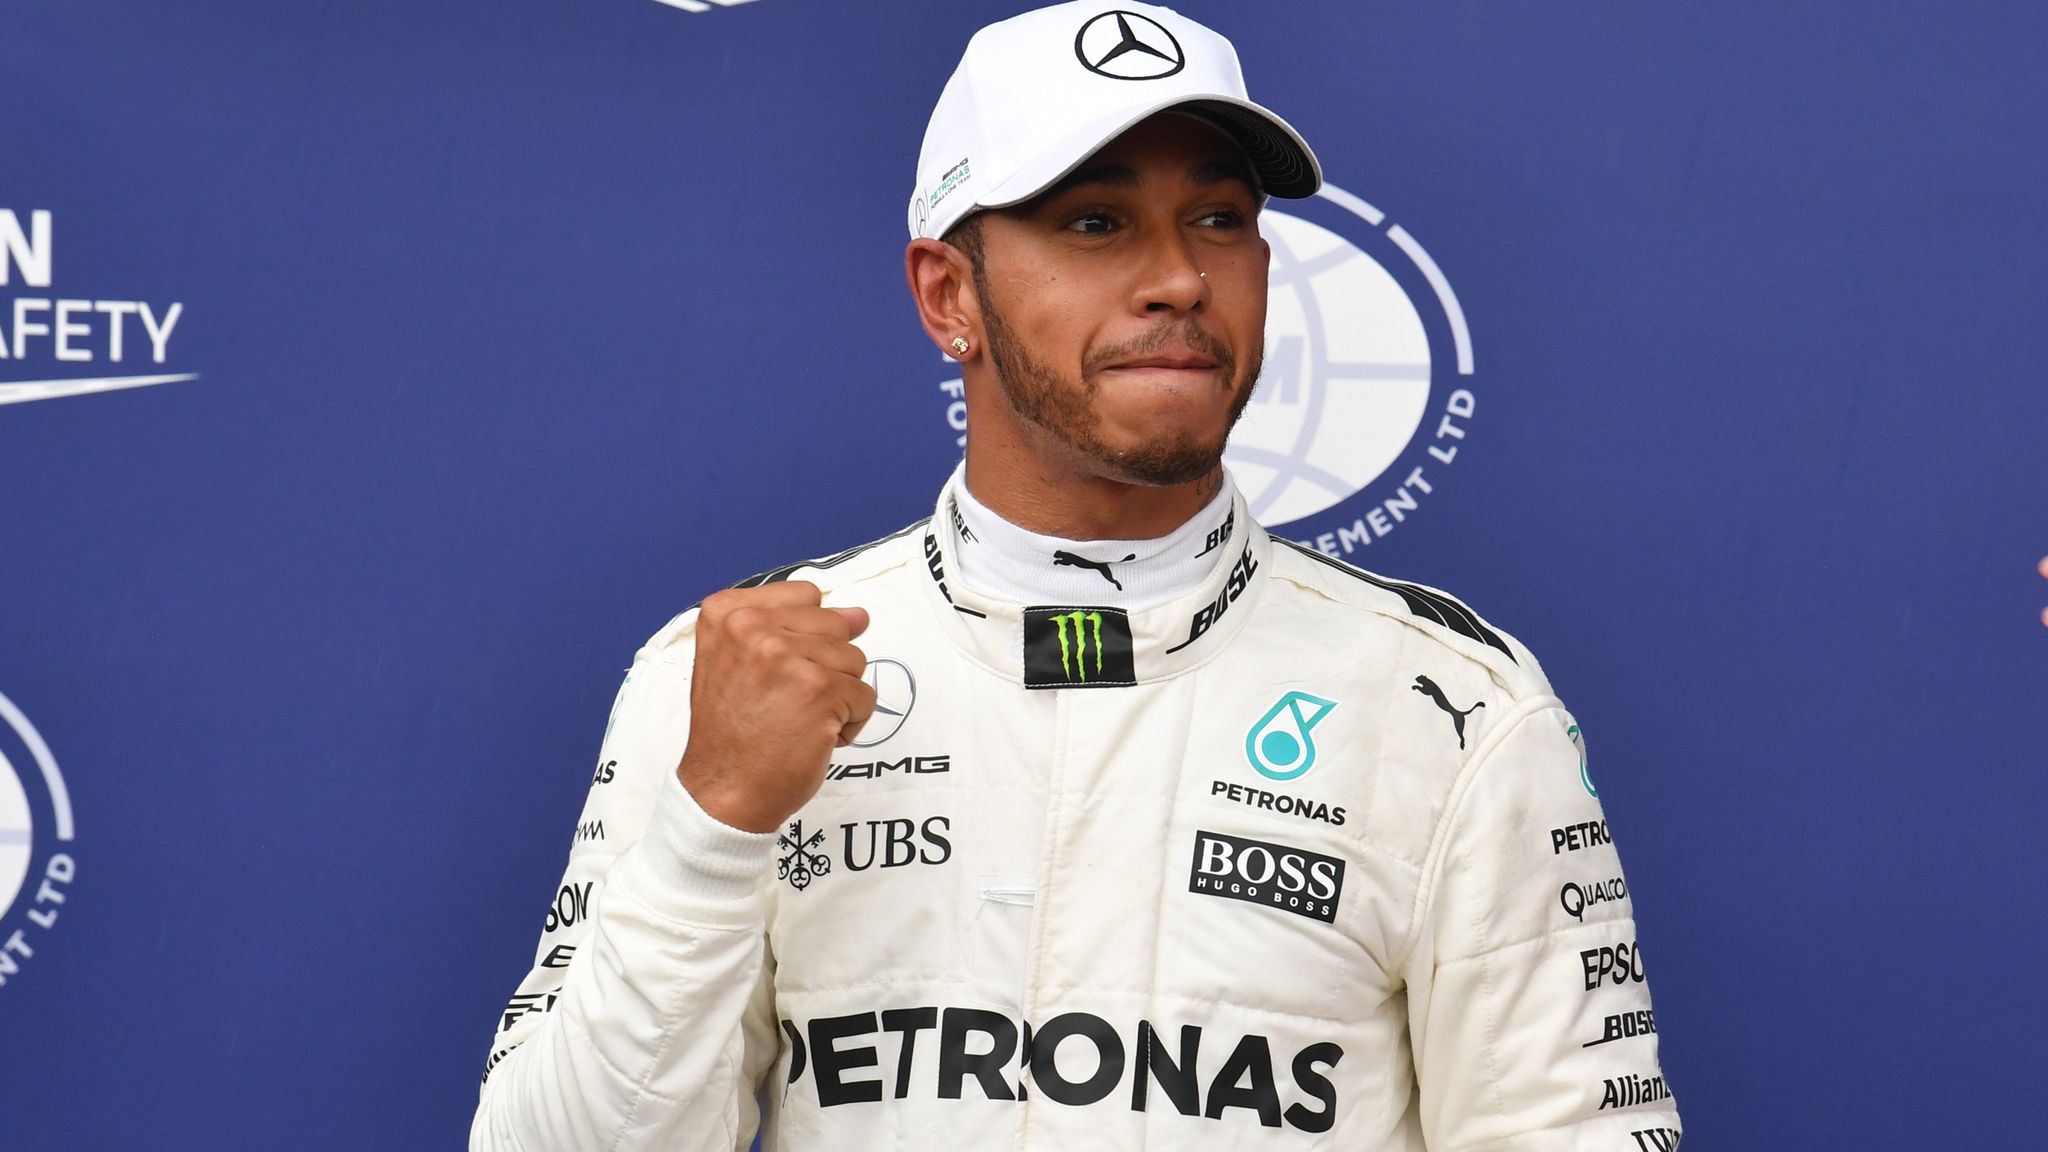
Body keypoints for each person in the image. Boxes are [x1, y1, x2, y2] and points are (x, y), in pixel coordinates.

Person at [470, 3, 1681, 1149]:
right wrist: (711, 822)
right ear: (950, 296)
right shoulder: (718, 683)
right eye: (1094, 224)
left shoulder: (1453, 709)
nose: (1179, 279)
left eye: (1218, 220)